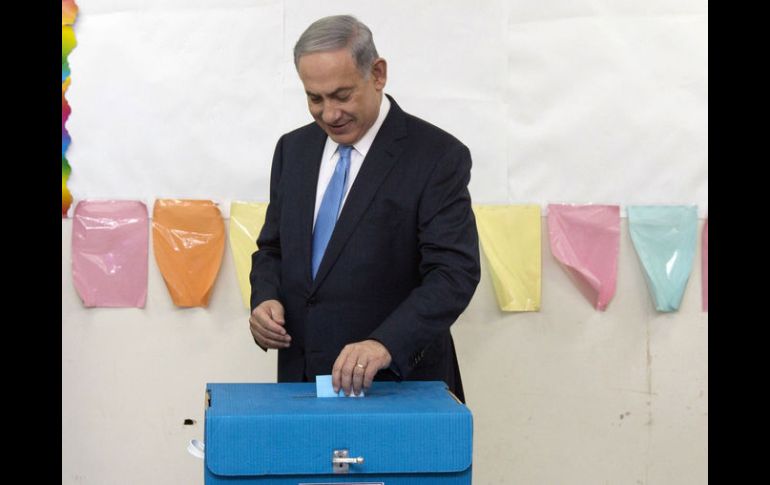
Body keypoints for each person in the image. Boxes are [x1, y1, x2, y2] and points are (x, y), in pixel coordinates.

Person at [249, 14, 480, 402]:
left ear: (377, 74)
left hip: (396, 385)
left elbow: (453, 273)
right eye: (314, 98)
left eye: (342, 95)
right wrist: (265, 298)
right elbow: (272, 248)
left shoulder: (437, 156)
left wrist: (384, 344)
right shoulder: (293, 150)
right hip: (302, 385)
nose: (329, 114)